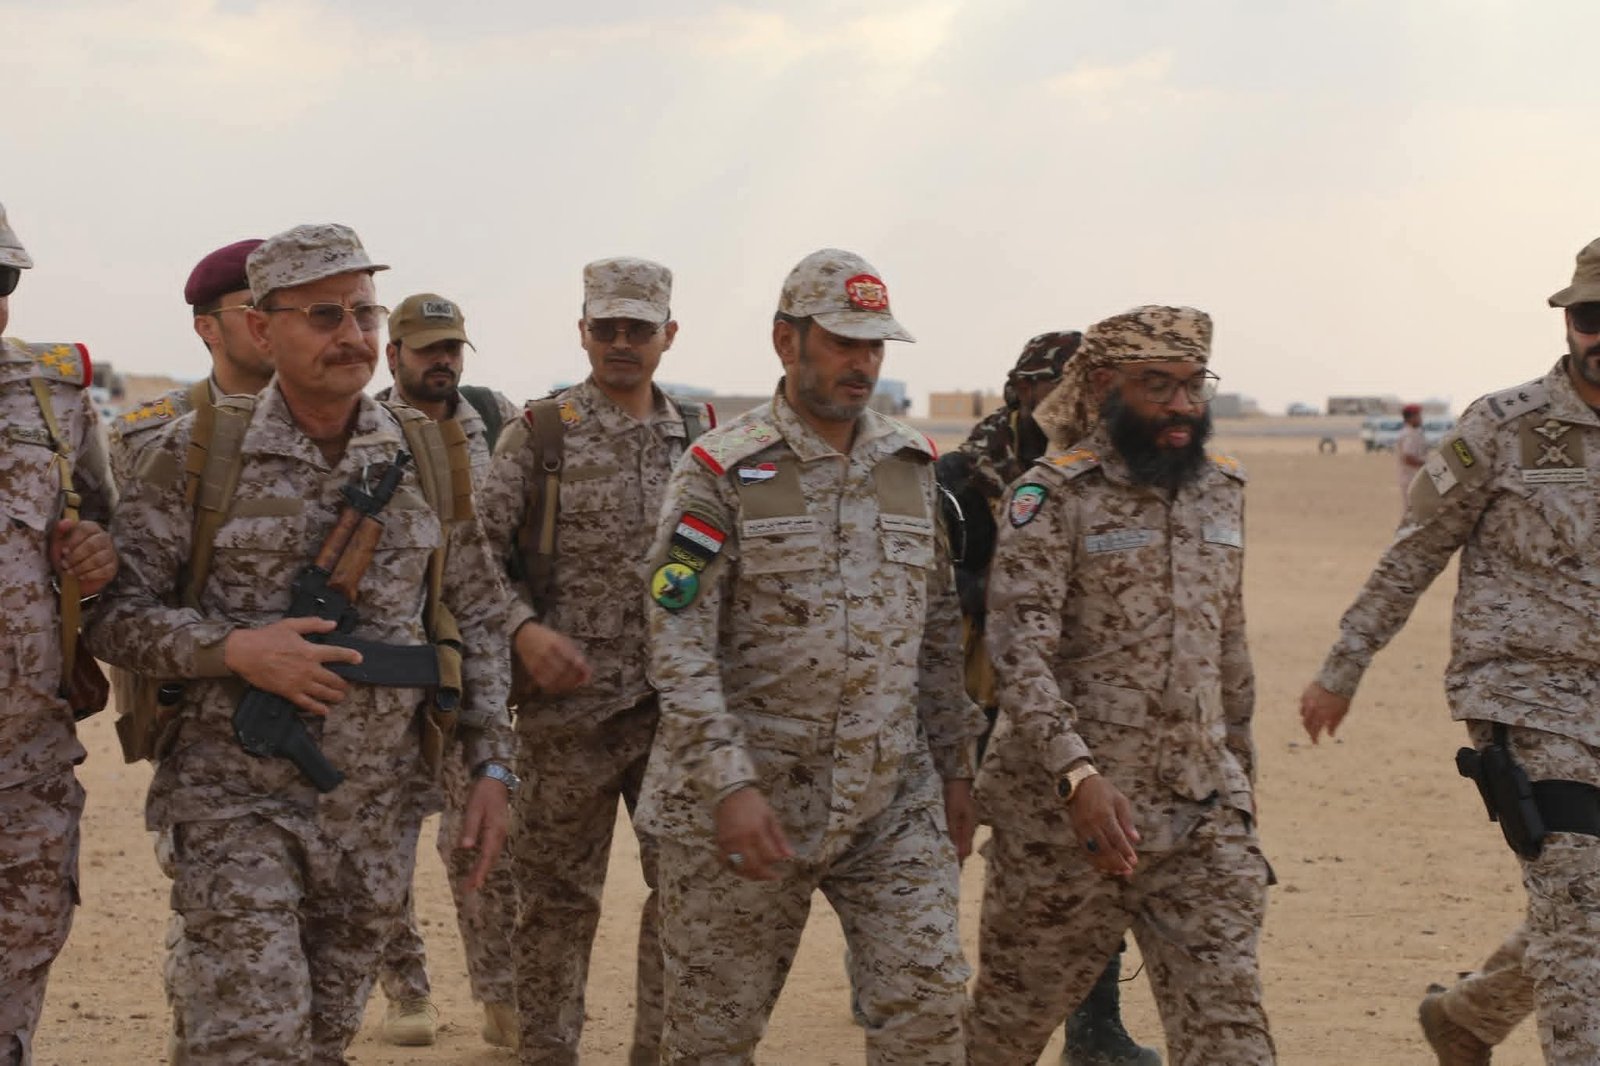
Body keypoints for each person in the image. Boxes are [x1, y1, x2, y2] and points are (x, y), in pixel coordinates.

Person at [85, 223, 516, 1065]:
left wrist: (493, 766)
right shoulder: (193, 455)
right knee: (253, 1041)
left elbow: (478, 615)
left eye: (364, 312)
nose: (352, 335)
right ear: (261, 328)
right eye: (324, 315)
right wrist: (234, 650)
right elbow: (113, 616)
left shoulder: (425, 456)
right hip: (234, 804)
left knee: (321, 1042)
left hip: (375, 815)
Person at [637, 247, 984, 1064]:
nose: (862, 363)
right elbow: (677, 641)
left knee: (930, 1008)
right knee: (712, 1040)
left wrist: (956, 768)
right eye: (842, 342)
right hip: (745, 802)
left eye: (874, 346)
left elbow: (938, 631)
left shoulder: (910, 466)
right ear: (786, 341)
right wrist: (728, 783)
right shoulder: (721, 469)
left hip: (888, 799)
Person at [1301, 236, 1600, 1065]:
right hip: (1527, 698)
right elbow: (1416, 549)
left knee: (1583, 905)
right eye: (1591, 316)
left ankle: (1465, 1018)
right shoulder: (1502, 427)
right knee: (1579, 903)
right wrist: (1344, 666)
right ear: (1567, 322)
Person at [967, 305, 1275, 1066]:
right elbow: (1019, 653)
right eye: (1156, 386)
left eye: (1193, 385)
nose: (1181, 406)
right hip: (1065, 826)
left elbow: (1229, 647)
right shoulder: (1053, 496)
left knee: (1233, 1041)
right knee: (1004, 1035)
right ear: (1106, 386)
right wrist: (1077, 776)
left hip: (1199, 819)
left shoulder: (1221, 488)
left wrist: (1240, 779)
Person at [477, 257, 710, 1066]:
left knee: (685, 897)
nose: (620, 343)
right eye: (605, 327)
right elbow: (475, 554)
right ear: (582, 331)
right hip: (564, 722)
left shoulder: (702, 440)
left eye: (637, 329)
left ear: (667, 335)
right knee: (553, 907)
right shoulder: (541, 434)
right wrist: (522, 631)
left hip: (673, 718)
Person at [943, 330, 1160, 1066]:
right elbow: (936, 583)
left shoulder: (1110, 473)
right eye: (1054, 383)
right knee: (954, 844)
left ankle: (1096, 1029)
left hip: (1075, 705)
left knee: (1099, 855)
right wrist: (1018, 587)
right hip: (977, 690)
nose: (1070, 399)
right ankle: (912, 971)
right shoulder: (964, 476)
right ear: (1023, 390)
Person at [371, 292, 522, 1049]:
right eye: (428, 348)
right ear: (394, 354)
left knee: (481, 835)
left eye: (452, 348)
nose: (443, 361)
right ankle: (407, 992)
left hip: (477, 661)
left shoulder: (497, 420)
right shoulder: (365, 431)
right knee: (382, 838)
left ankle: (502, 994)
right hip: (394, 664)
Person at [0, 201, 119, 1066]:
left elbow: (110, 533)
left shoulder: (55, 394)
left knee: (22, 951)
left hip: (25, 756)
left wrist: (98, 556)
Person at [108, 238, 272, 485]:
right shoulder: (147, 437)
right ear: (207, 328)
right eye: (254, 308)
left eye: (286, 308)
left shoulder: (330, 422)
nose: (272, 321)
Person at [1395, 402, 1427, 503]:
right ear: (1411, 418)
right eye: (1418, 416)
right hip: (1411, 478)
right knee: (1413, 508)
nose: (1421, 418)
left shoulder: (1415, 432)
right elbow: (1407, 458)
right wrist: (1426, 465)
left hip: (1415, 478)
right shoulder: (1409, 434)